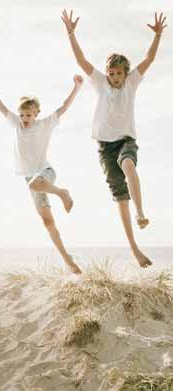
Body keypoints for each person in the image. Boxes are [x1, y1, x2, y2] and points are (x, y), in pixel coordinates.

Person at [61, 9, 167, 268]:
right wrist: (71, 33)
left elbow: (150, 58)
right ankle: (135, 250)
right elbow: (81, 59)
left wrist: (158, 35)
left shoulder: (132, 82)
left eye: (119, 73)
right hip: (104, 148)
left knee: (129, 164)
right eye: (111, 73)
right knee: (120, 198)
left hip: (126, 141)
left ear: (125, 73)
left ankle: (141, 212)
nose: (115, 77)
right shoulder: (100, 83)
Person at [0, 74, 83, 274]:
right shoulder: (16, 124)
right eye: (22, 115)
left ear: (36, 114)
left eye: (28, 115)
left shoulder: (44, 124)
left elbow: (64, 107)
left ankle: (62, 193)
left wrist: (77, 87)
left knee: (34, 185)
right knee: (48, 222)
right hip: (32, 178)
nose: (24, 119)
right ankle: (68, 259)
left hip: (45, 172)